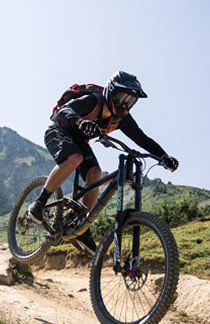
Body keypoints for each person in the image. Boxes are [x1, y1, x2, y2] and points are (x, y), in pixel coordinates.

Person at [27, 70, 179, 255]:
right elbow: (64, 112)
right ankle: (38, 204)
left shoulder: (122, 119)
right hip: (58, 130)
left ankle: (82, 226)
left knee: (95, 173)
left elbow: (142, 139)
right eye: (123, 97)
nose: (125, 103)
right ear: (111, 92)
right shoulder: (93, 100)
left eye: (130, 101)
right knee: (75, 158)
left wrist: (163, 156)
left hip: (79, 141)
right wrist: (80, 122)